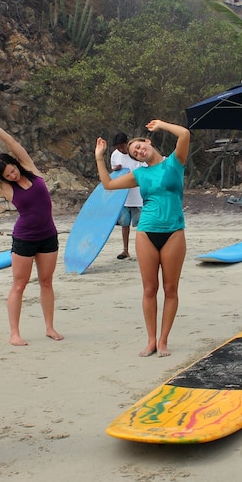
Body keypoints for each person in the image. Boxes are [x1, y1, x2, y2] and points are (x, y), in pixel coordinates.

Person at [0, 121, 63, 346]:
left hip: (48, 235)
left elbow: (11, 142)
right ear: (3, 179)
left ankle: (49, 328)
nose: (13, 175)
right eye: (8, 175)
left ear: (17, 164)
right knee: (19, 284)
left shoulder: (32, 170)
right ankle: (14, 333)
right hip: (25, 239)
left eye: (13, 169)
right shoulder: (5, 188)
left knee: (46, 281)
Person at [94, 120, 190, 357]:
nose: (139, 151)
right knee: (149, 289)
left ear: (148, 143)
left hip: (174, 232)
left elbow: (185, 134)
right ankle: (150, 340)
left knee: (170, 289)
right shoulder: (140, 174)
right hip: (146, 231)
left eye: (140, 146)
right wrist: (99, 157)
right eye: (135, 152)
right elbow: (108, 184)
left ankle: (164, 340)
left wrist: (162, 125)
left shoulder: (174, 163)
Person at [109, 132, 146, 260]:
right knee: (125, 225)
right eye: (118, 147)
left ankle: (144, 250)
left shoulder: (136, 153)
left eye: (122, 146)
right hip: (123, 197)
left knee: (142, 226)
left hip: (138, 196)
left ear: (127, 143)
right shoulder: (115, 155)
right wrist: (116, 170)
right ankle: (125, 250)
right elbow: (114, 175)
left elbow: (144, 170)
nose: (120, 149)